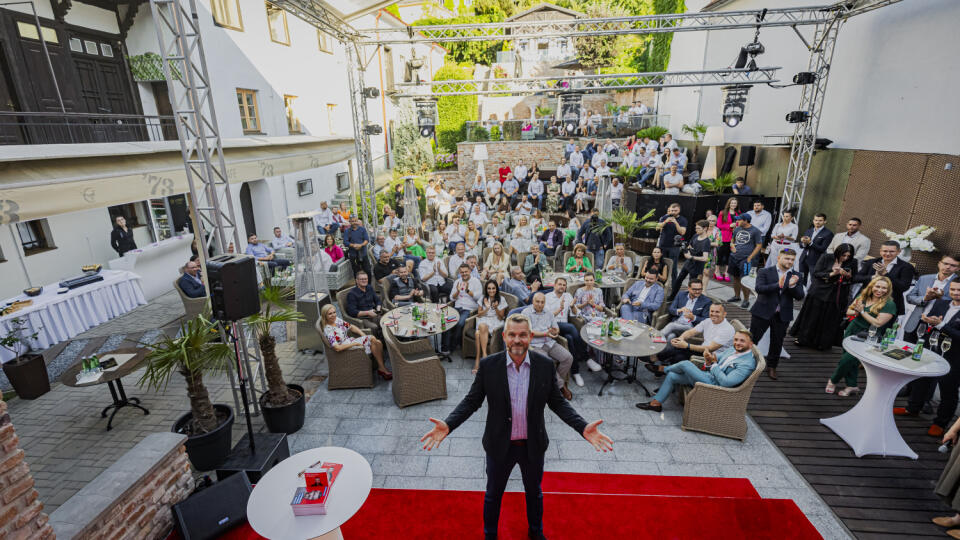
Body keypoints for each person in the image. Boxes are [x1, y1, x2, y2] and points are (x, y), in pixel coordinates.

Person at [420, 314, 612, 540]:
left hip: (533, 444)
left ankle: (536, 532)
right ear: (504, 337)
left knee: (534, 494)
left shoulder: (545, 365)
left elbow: (557, 402)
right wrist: (449, 423)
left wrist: (582, 427)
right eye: (512, 335)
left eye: (522, 335)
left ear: (530, 337)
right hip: (499, 444)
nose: (517, 340)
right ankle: (490, 535)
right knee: (493, 495)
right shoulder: (489, 366)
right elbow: (472, 401)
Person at [636, 331, 756, 412]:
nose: (737, 343)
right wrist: (709, 357)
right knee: (673, 376)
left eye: (742, 341)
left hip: (716, 387)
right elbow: (718, 357)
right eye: (736, 340)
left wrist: (713, 365)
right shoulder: (733, 349)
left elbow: (726, 383)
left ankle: (662, 369)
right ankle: (656, 404)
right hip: (709, 376)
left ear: (750, 344)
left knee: (686, 364)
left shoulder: (747, 364)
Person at [898, 280, 960, 433]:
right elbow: (931, 319)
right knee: (922, 379)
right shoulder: (941, 303)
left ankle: (940, 423)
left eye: (959, 290)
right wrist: (927, 321)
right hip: (931, 348)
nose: (955, 293)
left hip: (954, 356)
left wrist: (941, 326)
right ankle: (913, 408)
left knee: (948, 390)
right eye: (953, 289)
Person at [827, 276, 895, 396]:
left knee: (847, 360)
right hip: (852, 329)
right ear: (872, 286)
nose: (880, 290)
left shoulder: (889, 304)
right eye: (877, 286)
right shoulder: (863, 297)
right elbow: (848, 311)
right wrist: (857, 311)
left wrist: (862, 312)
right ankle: (852, 386)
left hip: (869, 335)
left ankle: (833, 380)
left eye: (884, 288)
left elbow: (877, 323)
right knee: (850, 360)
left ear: (888, 290)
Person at [750, 249, 805, 380]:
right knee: (753, 339)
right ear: (779, 257)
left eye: (792, 259)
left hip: (782, 314)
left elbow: (800, 296)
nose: (790, 262)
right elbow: (760, 289)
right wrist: (779, 285)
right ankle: (747, 362)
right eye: (787, 258)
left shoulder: (797, 275)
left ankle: (772, 367)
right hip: (762, 311)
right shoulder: (765, 271)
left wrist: (791, 286)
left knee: (777, 342)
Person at [790, 244, 858, 350]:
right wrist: (832, 274)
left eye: (848, 256)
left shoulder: (853, 262)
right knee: (812, 316)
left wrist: (849, 276)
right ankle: (804, 338)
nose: (845, 258)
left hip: (837, 295)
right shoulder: (826, 257)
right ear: (838, 252)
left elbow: (854, 278)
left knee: (829, 319)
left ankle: (822, 342)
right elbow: (816, 273)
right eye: (843, 255)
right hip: (819, 291)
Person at [522, 293, 576, 400]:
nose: (540, 304)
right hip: (534, 345)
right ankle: (561, 387)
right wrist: (545, 334)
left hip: (549, 342)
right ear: (533, 301)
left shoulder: (548, 313)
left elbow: (556, 328)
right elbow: (527, 331)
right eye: (537, 302)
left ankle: (553, 385)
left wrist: (555, 331)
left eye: (542, 302)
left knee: (568, 358)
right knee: (548, 363)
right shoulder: (526, 313)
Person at [319, 304, 391, 380]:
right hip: (347, 350)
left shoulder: (337, 320)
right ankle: (382, 368)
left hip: (350, 341)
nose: (333, 315)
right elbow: (337, 348)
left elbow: (351, 327)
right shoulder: (328, 330)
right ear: (325, 316)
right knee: (376, 341)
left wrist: (362, 334)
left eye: (334, 312)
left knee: (377, 342)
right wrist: (355, 343)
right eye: (330, 314)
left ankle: (381, 367)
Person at [853, 240, 914, 327]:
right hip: (866, 301)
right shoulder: (871, 262)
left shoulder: (906, 267)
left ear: (898, 251)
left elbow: (903, 287)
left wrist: (886, 274)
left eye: (892, 251)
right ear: (880, 251)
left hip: (889, 305)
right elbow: (856, 278)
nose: (888, 254)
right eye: (885, 251)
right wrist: (872, 278)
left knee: (880, 333)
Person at [652, 303, 734, 368]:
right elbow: (691, 332)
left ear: (724, 314)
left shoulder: (727, 329)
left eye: (717, 312)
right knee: (676, 347)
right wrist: (681, 338)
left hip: (711, 357)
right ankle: (655, 360)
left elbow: (710, 348)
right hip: (701, 349)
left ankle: (663, 369)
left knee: (679, 356)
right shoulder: (708, 321)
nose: (714, 314)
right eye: (712, 311)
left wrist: (686, 345)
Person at [903, 254, 960, 344]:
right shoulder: (924, 278)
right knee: (905, 348)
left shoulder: (957, 283)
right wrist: (925, 298)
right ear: (939, 264)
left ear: (958, 268)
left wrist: (939, 297)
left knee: (927, 355)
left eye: (953, 265)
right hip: (915, 321)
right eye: (945, 263)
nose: (948, 267)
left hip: (938, 326)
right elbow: (909, 297)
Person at [544, 277, 589, 387]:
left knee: (569, 338)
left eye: (564, 285)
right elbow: (546, 317)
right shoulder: (547, 297)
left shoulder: (568, 296)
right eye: (559, 284)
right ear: (554, 285)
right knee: (572, 328)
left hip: (564, 327)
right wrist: (559, 310)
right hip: (552, 326)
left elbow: (576, 313)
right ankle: (585, 356)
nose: (562, 287)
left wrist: (573, 306)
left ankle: (576, 372)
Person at [442, 264, 482, 354]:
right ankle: (444, 349)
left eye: (466, 272)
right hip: (457, 307)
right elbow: (452, 298)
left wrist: (467, 290)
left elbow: (479, 298)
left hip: (468, 309)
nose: (464, 274)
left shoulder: (476, 282)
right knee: (446, 321)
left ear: (470, 271)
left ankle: (452, 347)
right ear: (460, 273)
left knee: (460, 324)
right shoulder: (457, 282)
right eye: (462, 272)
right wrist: (458, 291)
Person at [726, 213, 763, 309]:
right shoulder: (737, 229)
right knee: (735, 277)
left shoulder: (755, 231)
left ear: (746, 221)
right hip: (734, 257)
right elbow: (732, 240)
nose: (737, 221)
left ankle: (746, 300)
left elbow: (759, 245)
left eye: (739, 220)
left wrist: (750, 257)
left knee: (745, 280)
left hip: (746, 259)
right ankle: (737, 296)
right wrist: (732, 245)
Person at [670, 220, 712, 298]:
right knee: (679, 279)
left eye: (698, 228)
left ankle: (690, 300)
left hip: (696, 266)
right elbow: (690, 246)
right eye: (696, 228)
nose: (696, 230)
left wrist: (691, 257)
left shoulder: (706, 242)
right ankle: (672, 296)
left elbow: (705, 258)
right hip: (688, 263)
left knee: (691, 284)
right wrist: (685, 249)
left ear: (705, 228)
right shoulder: (696, 235)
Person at [473, 280, 508, 373]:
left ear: (496, 289)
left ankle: (478, 360)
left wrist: (496, 308)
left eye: (493, 288)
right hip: (484, 319)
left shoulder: (502, 299)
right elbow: (479, 315)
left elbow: (501, 317)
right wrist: (487, 308)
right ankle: (484, 355)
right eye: (489, 288)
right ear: (486, 289)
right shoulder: (482, 298)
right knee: (482, 326)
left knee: (477, 334)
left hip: (496, 321)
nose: (491, 290)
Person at [798, 212, 834, 286]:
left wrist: (810, 243)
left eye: (820, 220)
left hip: (816, 261)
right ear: (813, 221)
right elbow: (801, 245)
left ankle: (811, 296)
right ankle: (801, 295)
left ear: (825, 221)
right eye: (816, 220)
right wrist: (804, 243)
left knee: (814, 280)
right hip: (803, 259)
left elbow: (823, 249)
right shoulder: (809, 230)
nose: (817, 222)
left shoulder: (828, 233)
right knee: (801, 279)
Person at [345, 271, 384, 338]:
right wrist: (367, 313)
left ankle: (385, 341)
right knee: (374, 327)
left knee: (384, 322)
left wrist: (378, 308)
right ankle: (377, 344)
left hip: (373, 313)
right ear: (356, 281)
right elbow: (352, 312)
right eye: (362, 279)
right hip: (362, 318)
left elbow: (377, 300)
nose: (364, 281)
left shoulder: (369, 288)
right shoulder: (352, 294)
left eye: (365, 279)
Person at [656, 203, 688, 281]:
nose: (673, 212)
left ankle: (674, 285)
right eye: (672, 210)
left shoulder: (683, 220)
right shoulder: (664, 217)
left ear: (679, 210)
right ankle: (662, 282)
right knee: (662, 264)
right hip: (663, 245)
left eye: (675, 210)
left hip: (674, 247)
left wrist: (676, 223)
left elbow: (682, 232)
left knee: (673, 267)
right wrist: (665, 222)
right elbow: (657, 228)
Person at [716, 197, 740, 281]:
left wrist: (737, 226)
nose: (733, 204)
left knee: (730, 256)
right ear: (729, 204)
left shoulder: (738, 213)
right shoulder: (723, 213)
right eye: (732, 203)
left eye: (735, 203)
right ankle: (717, 271)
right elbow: (719, 225)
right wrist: (729, 226)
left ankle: (726, 272)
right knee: (720, 255)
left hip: (734, 238)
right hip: (724, 237)